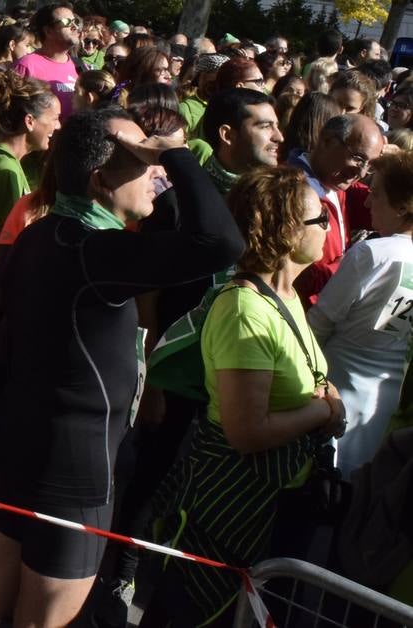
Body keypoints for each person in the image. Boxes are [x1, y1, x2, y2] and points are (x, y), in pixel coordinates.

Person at [0, 107, 242, 628]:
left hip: (20, 443)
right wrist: (174, 155)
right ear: (99, 179)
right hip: (74, 471)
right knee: (42, 621)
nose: (154, 171)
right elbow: (222, 241)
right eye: (139, 159)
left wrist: (151, 166)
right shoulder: (100, 253)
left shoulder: (46, 231)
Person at [143, 167, 344, 627]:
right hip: (231, 509)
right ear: (288, 230)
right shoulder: (244, 309)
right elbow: (247, 431)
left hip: (272, 503)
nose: (328, 229)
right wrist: (322, 410)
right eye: (321, 221)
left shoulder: (286, 294)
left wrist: (326, 394)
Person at [310, 151, 413, 475]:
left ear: (403, 206)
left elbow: (318, 325)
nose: (367, 203)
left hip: (331, 399)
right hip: (384, 411)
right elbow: (391, 331)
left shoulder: (373, 254)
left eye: (376, 194)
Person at [290, 113, 384, 305]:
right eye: (358, 158)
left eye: (371, 165)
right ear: (326, 140)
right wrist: (346, 268)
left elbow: (392, 208)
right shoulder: (290, 191)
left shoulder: (339, 185)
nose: (362, 172)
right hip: (300, 313)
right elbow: (290, 271)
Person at [0, 68, 60, 234]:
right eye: (54, 118)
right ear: (29, 121)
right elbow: (6, 238)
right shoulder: (5, 171)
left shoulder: (6, 162)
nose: (58, 126)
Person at [13, 2, 81, 116]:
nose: (75, 27)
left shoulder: (80, 66)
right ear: (48, 31)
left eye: (76, 22)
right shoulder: (26, 65)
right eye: (67, 22)